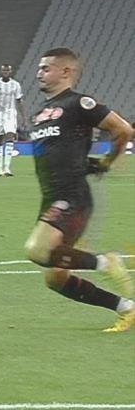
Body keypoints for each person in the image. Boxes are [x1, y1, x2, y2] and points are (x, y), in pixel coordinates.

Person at [24, 47, 134, 332]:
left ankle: (106, 262)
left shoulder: (78, 103)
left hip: (72, 195)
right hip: (51, 196)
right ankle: (128, 308)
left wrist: (108, 161)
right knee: (56, 279)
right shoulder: (40, 113)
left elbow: (123, 129)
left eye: (45, 68)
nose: (39, 73)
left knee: (36, 250)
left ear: (66, 71)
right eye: (39, 68)